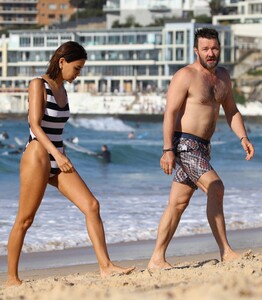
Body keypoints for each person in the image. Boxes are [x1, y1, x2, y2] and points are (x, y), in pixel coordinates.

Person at [6, 41, 134, 286]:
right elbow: (35, 125)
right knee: (25, 219)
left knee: (92, 205)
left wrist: (60, 154)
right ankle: (12, 279)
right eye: (77, 68)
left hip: (57, 155)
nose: (78, 74)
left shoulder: (63, 89)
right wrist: (59, 155)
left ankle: (106, 267)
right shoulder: (38, 84)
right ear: (62, 61)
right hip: (38, 155)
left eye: (81, 69)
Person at [148, 28, 255, 270]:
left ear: (220, 49)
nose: (211, 53)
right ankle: (226, 251)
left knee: (177, 203)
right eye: (205, 49)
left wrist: (243, 138)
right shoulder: (185, 76)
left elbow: (231, 111)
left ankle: (156, 258)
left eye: (214, 48)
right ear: (196, 50)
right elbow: (170, 113)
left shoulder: (223, 78)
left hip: (203, 147)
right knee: (216, 188)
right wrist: (168, 150)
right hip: (184, 144)